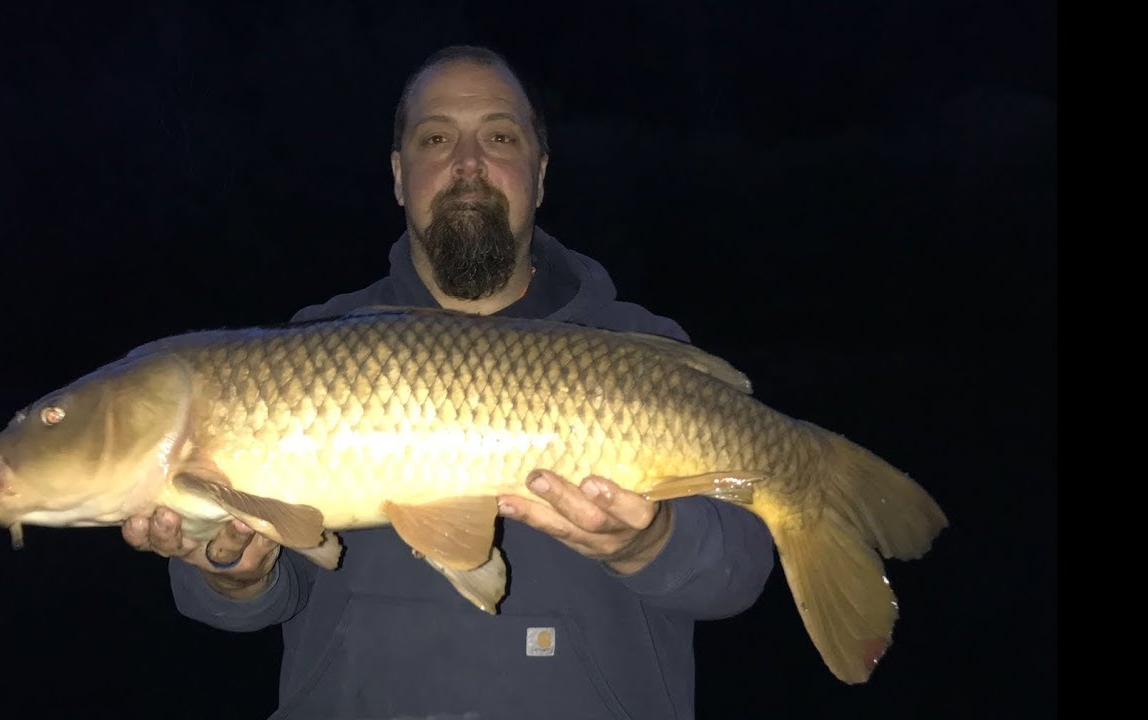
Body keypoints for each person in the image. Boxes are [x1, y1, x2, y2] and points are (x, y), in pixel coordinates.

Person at [121, 44, 775, 720]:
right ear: (401, 177)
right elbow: (260, 599)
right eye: (437, 138)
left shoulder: (635, 348)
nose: (467, 163)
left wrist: (651, 541)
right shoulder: (307, 349)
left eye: (498, 135)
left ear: (540, 174)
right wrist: (235, 575)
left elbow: (739, 571)